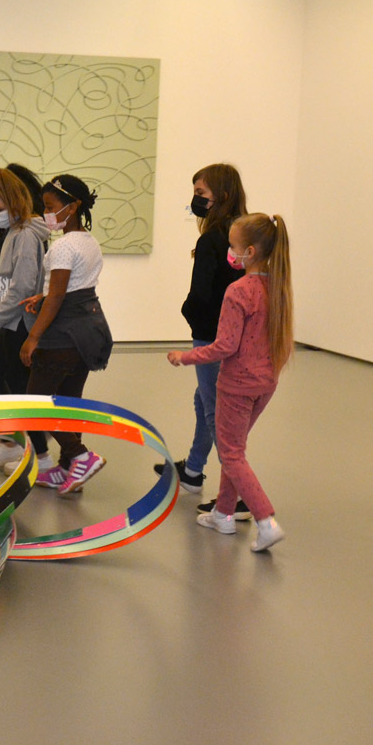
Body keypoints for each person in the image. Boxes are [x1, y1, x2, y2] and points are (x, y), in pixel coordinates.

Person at [167, 213, 291, 552]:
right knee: (233, 445)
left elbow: (225, 346)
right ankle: (223, 513)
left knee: (232, 454)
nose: (230, 253)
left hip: (237, 384)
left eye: (233, 246)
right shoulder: (278, 287)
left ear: (249, 252)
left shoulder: (238, 291)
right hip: (265, 383)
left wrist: (185, 356)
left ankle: (266, 521)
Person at [154, 165, 249, 508]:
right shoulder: (246, 234)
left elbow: (201, 295)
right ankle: (193, 469)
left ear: (221, 196)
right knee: (204, 400)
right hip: (240, 335)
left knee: (216, 412)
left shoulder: (211, 239)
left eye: (200, 194)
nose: (195, 200)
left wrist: (191, 316)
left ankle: (238, 495)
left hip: (211, 335)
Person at [19, 175, 113, 495]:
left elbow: (58, 295)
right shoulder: (89, 241)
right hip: (89, 329)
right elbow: (74, 286)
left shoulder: (62, 246)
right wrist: (43, 296)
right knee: (71, 402)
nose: (46, 214)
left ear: (72, 207)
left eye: (50, 207)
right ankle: (67, 467)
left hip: (64, 333)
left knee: (35, 404)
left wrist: (33, 337)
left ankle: (80, 456)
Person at [0, 167, 52, 474]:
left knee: (23, 390)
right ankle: (12, 441)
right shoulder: (14, 233)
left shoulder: (26, 236)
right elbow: (10, 281)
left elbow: (22, 287)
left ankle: (40, 456)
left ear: (14, 202)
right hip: (10, 321)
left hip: (21, 323)